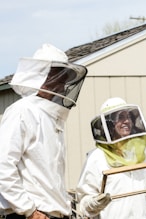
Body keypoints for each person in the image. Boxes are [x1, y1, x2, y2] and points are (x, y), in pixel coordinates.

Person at [0, 44, 88, 219]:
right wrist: (29, 210)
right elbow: (2, 165)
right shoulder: (22, 111)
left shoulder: (52, 118)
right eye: (59, 76)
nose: (63, 83)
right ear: (43, 76)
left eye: (65, 78)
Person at [76, 97, 146, 219]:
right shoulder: (96, 157)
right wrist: (94, 203)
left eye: (128, 117)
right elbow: (84, 201)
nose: (126, 121)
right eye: (120, 117)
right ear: (109, 124)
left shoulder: (144, 151)